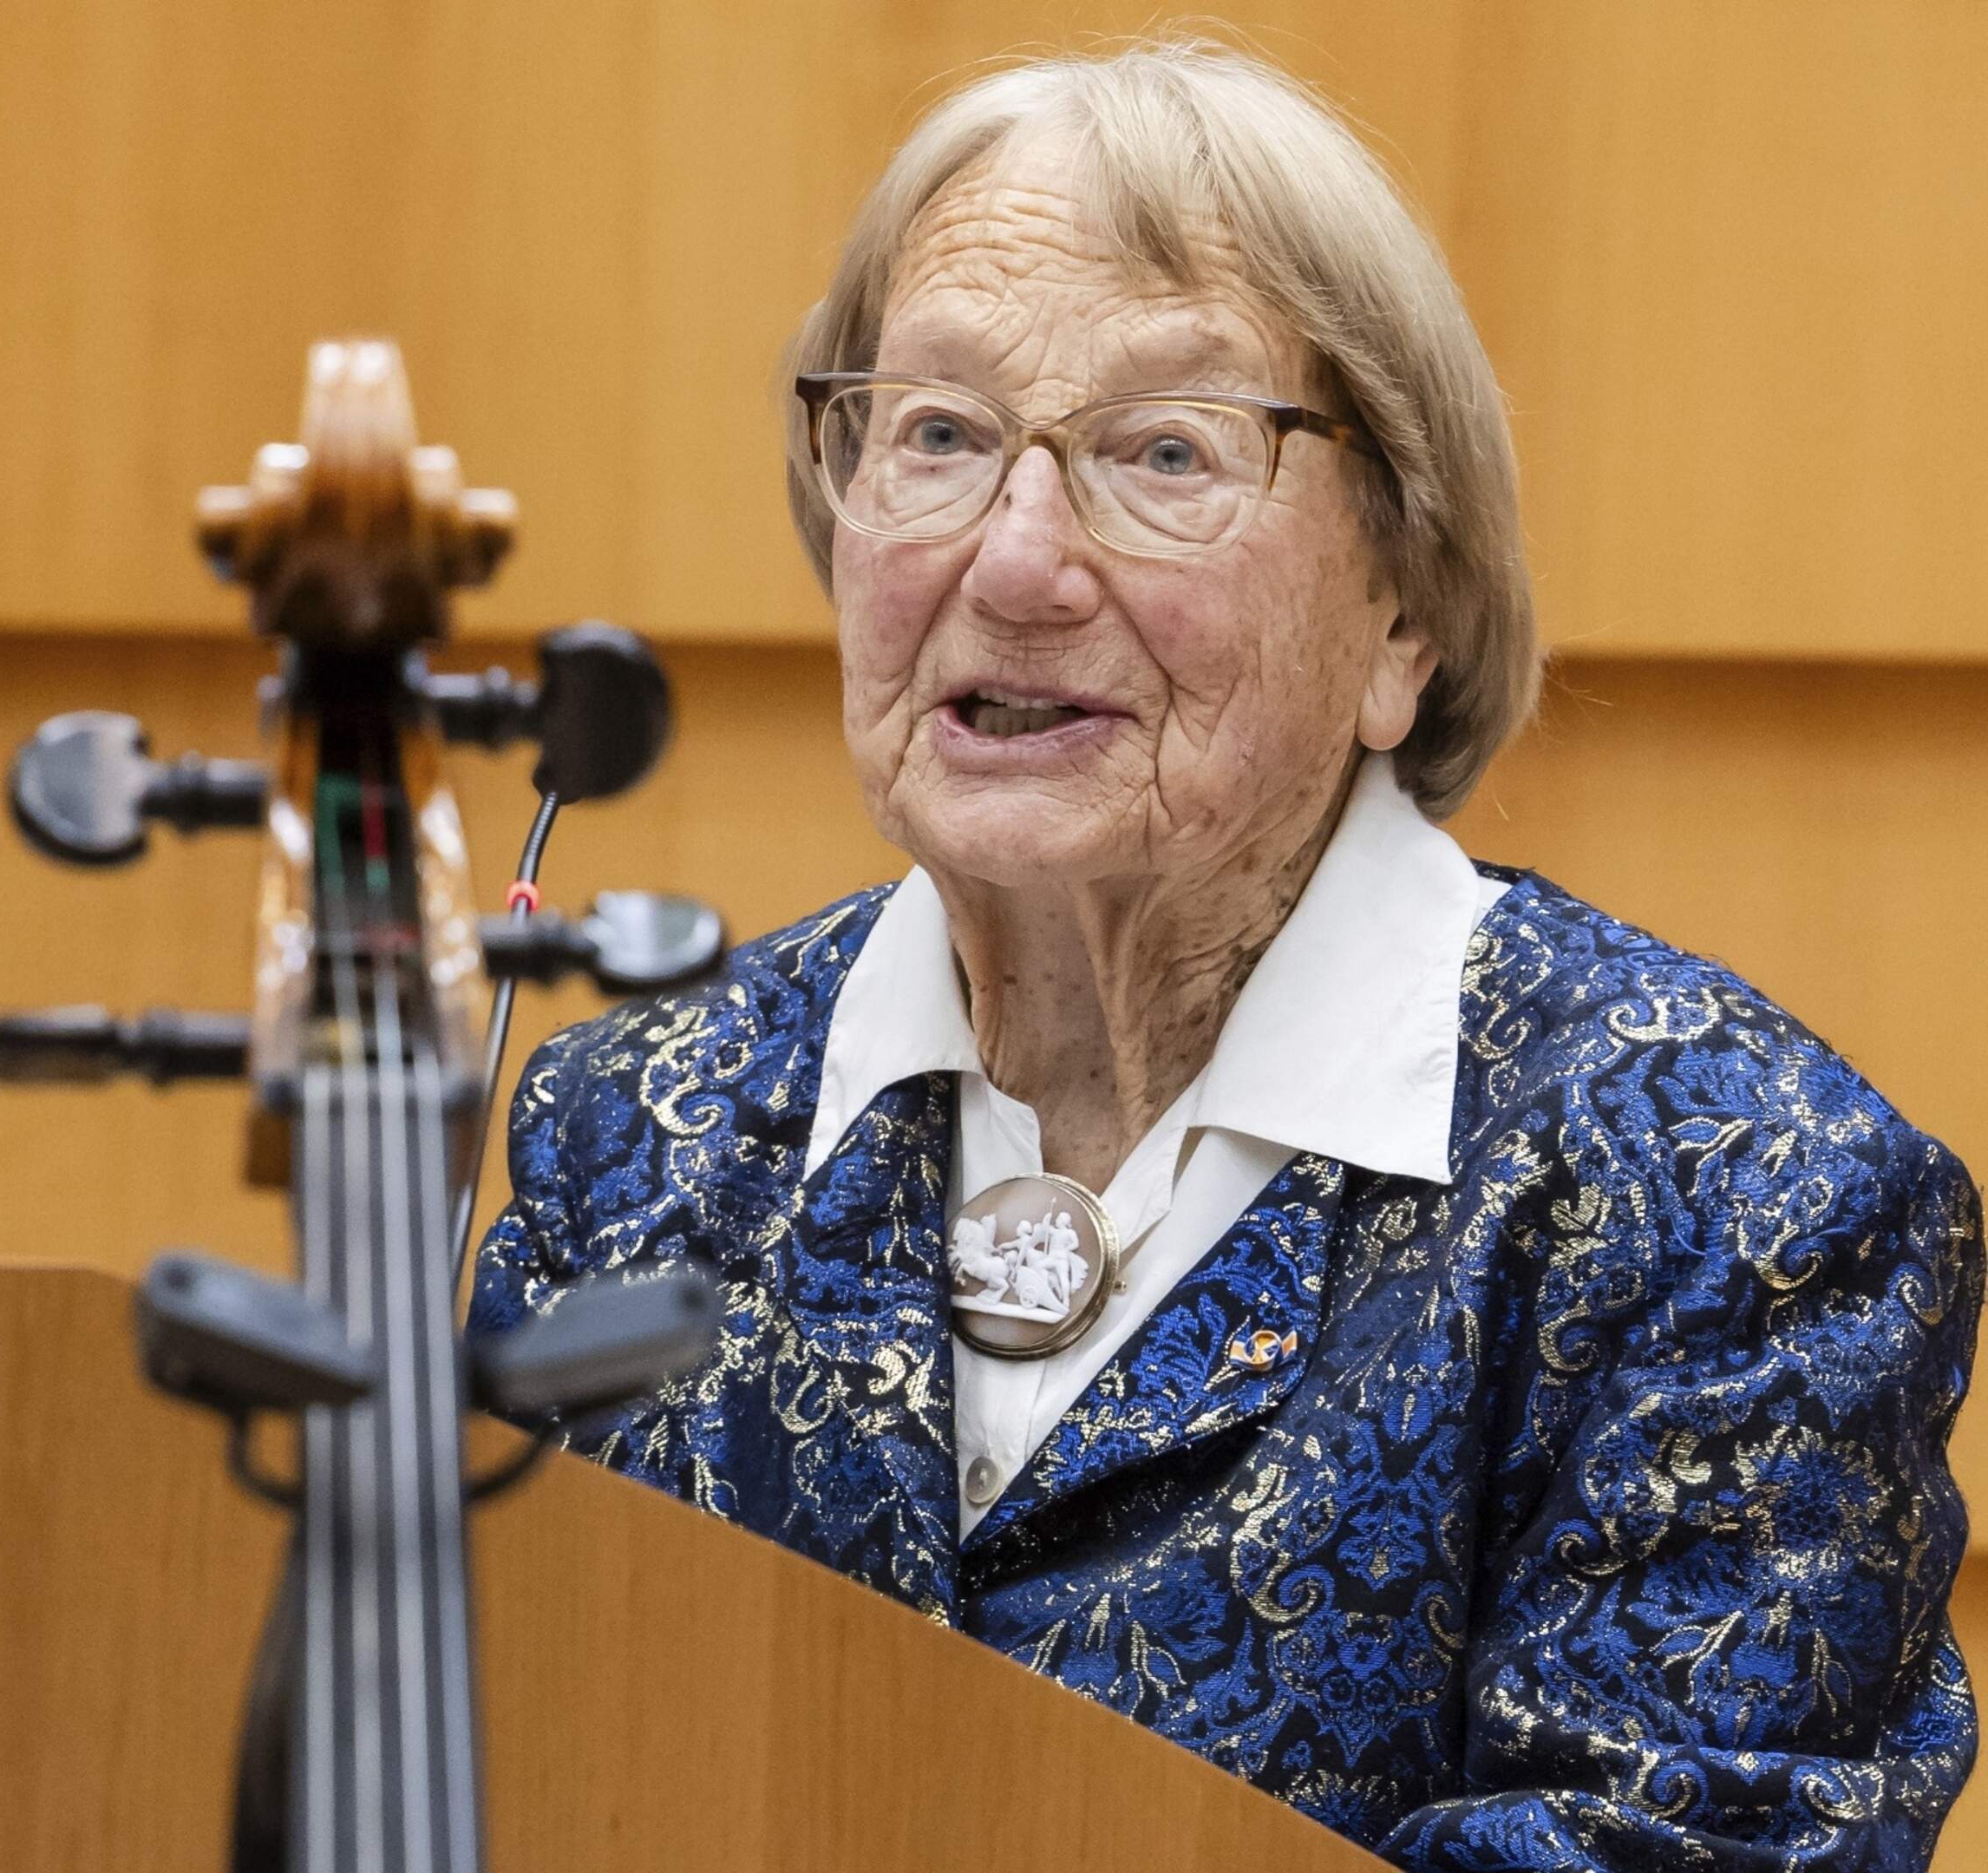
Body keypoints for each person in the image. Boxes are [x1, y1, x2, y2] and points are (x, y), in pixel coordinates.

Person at [470, 38, 1979, 1871]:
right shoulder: (630, 1136)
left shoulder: (1730, 1199)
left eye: (1162, 452)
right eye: (937, 434)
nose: (1015, 561)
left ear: (1402, 622)